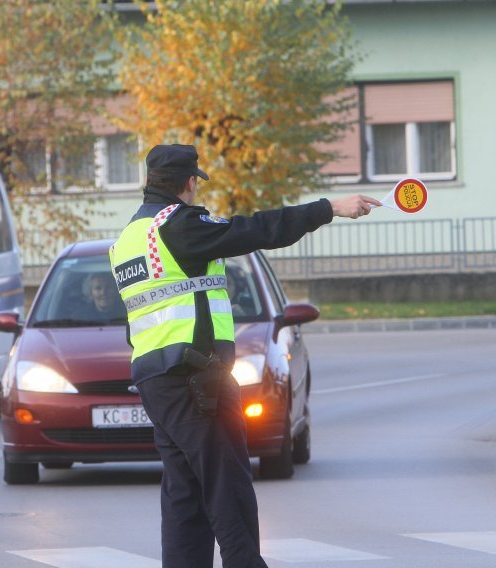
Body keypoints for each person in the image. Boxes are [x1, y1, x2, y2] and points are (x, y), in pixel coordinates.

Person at [109, 144, 380, 568]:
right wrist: (328, 207)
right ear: (190, 182)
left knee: (185, 496)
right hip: (197, 379)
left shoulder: (127, 238)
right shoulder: (180, 225)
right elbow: (256, 230)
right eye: (196, 183)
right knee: (227, 488)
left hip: (155, 380)